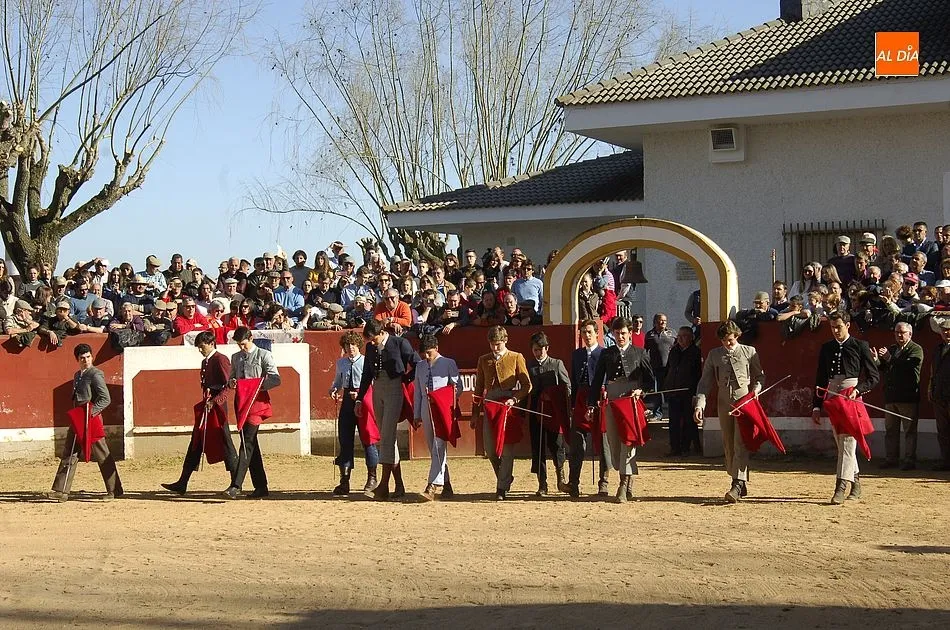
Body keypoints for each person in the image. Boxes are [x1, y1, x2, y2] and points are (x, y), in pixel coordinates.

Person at [693, 320, 765, 503]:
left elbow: (760, 376)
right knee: (728, 443)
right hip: (724, 403)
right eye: (724, 341)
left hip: (744, 403)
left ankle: (737, 484)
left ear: (737, 336)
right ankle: (740, 481)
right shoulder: (715, 355)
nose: (727, 344)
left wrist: (756, 389)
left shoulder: (749, 352)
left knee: (740, 442)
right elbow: (705, 382)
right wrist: (700, 404)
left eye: (731, 340)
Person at [812, 311, 880, 504]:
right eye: (832, 327)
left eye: (838, 327)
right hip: (833, 397)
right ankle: (856, 483)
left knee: (848, 443)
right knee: (841, 443)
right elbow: (820, 379)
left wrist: (858, 390)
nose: (835, 331)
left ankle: (840, 487)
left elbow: (873, 377)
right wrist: (816, 406)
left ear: (848, 325)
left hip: (850, 397)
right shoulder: (827, 348)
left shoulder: (860, 346)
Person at [587, 316, 654, 503]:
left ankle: (623, 485)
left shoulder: (640, 353)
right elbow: (597, 381)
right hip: (613, 402)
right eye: (617, 333)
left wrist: (642, 390)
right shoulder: (607, 354)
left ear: (630, 333)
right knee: (614, 445)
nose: (620, 337)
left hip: (631, 403)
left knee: (628, 443)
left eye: (623, 333)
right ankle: (628, 478)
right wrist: (591, 404)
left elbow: (650, 380)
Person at [161, 331, 238, 494]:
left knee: (225, 442)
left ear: (211, 343)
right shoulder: (206, 361)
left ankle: (235, 484)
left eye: (202, 346)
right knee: (196, 441)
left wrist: (215, 401)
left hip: (217, 409)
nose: (200, 350)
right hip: (207, 406)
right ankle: (182, 482)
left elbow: (228, 385)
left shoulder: (221, 359)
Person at [47, 344, 123, 501]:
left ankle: (114, 490)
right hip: (78, 418)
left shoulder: (96, 374)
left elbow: (105, 399)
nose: (86, 360)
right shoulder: (77, 375)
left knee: (102, 453)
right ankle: (61, 491)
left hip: (90, 420)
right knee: (69, 452)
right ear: (77, 359)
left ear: (92, 357)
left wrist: (90, 414)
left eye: (88, 357)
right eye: (82, 358)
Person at [356, 318, 418, 500]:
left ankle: (383, 485)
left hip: (394, 389)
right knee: (386, 437)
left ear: (382, 332)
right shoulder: (370, 348)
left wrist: (405, 380)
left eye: (373, 339)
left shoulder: (400, 343)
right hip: (378, 389)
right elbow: (367, 374)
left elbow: (417, 363)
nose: (372, 342)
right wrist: (360, 398)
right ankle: (398, 485)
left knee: (388, 435)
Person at [471, 325, 532, 500]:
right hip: (490, 403)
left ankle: (502, 488)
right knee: (490, 450)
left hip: (507, 404)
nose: (495, 347)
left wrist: (514, 399)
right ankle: (504, 477)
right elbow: (478, 387)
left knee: (507, 450)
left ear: (505, 341)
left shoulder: (516, 357)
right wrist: (475, 413)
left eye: (498, 344)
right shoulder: (484, 360)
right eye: (492, 344)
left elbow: (527, 385)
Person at [224, 327, 281, 499]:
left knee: (246, 442)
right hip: (242, 404)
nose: (242, 348)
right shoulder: (236, 357)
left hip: (256, 404)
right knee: (251, 444)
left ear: (251, 338)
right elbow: (231, 379)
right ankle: (261, 486)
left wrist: (257, 386)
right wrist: (233, 382)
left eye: (243, 344)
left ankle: (236, 485)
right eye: (239, 345)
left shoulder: (264, 355)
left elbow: (276, 379)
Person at [328, 331, 380, 496]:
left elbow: (373, 384)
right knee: (345, 440)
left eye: (353, 345)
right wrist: (334, 390)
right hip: (347, 403)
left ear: (359, 346)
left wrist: (361, 395)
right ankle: (344, 481)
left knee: (368, 439)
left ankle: (372, 478)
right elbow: (337, 382)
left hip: (364, 400)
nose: (350, 348)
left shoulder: (366, 361)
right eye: (347, 345)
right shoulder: (341, 363)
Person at [412, 334, 462, 501]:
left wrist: (442, 398)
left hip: (442, 410)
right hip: (427, 408)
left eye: (429, 353)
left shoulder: (448, 363)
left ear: (437, 349)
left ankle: (432, 486)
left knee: (438, 446)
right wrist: (417, 414)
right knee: (434, 450)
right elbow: (418, 392)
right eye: (424, 354)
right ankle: (447, 485)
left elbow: (457, 388)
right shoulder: (420, 367)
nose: (426, 357)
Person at [566, 319, 609, 498]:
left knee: (603, 443)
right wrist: (573, 404)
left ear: (597, 333)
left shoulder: (605, 353)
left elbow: (608, 377)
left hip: (600, 398)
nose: (586, 335)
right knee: (577, 443)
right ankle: (573, 483)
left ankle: (603, 483)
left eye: (590, 332)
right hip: (582, 397)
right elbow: (574, 381)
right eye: (583, 332)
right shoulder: (577, 355)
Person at [871, 322, 922, 471]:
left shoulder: (916, 349)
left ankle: (909, 460)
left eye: (902, 332)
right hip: (891, 396)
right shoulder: (893, 349)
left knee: (909, 431)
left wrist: (889, 358)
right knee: (891, 430)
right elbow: (885, 368)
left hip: (908, 397)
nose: (899, 335)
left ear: (910, 334)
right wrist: (876, 360)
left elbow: (908, 367)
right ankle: (891, 459)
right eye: (897, 332)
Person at [526, 331, 571, 496]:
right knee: (537, 447)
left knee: (557, 446)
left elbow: (567, 387)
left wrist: (565, 408)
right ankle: (542, 483)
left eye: (540, 349)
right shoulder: (529, 365)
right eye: (535, 350)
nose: (538, 353)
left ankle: (561, 480)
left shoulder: (556, 364)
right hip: (535, 411)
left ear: (547, 348)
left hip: (553, 412)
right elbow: (526, 389)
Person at [664, 326, 702, 456]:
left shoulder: (696, 353)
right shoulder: (674, 351)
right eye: (678, 336)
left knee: (688, 421)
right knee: (673, 421)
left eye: (684, 336)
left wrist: (695, 393)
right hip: (673, 390)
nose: (680, 339)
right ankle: (674, 448)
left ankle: (686, 447)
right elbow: (669, 369)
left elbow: (698, 375)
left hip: (688, 392)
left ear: (691, 338)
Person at [928, 316, 950, 472]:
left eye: (949, 330)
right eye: (944, 330)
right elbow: (933, 372)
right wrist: (931, 388)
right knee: (942, 430)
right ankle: (946, 461)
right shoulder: (938, 349)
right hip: (939, 394)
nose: (946, 332)